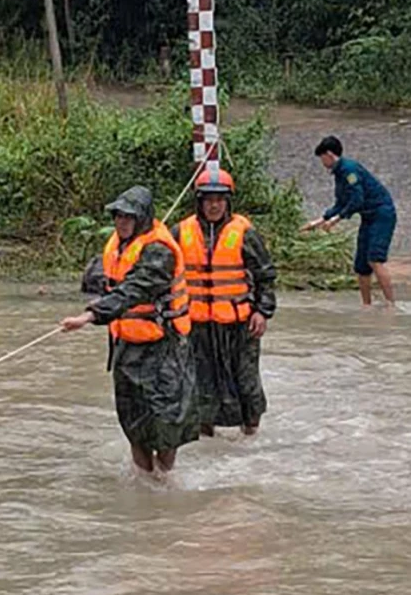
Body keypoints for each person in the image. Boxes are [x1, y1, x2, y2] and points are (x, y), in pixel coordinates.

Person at [60, 185, 199, 474]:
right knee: (133, 419)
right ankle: (145, 478)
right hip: (126, 347)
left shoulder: (159, 251)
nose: (121, 222)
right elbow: (109, 284)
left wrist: (89, 316)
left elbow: (133, 290)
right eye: (118, 216)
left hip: (163, 346)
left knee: (166, 419)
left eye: (129, 217)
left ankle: (165, 477)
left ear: (143, 218)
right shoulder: (117, 245)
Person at [175, 168, 277, 437]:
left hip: (239, 324)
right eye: (208, 199)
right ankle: (206, 437)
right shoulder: (180, 232)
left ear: (227, 201)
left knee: (246, 381)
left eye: (219, 199)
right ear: (199, 201)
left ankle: (251, 436)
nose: (214, 204)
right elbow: (162, 273)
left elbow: (265, 276)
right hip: (197, 325)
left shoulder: (245, 233)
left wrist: (262, 312)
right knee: (200, 383)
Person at [301, 135, 397, 308]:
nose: (322, 162)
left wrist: (337, 220)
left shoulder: (349, 170)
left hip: (382, 214)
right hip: (368, 217)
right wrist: (320, 220)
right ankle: (366, 306)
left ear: (329, 155)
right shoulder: (339, 173)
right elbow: (341, 203)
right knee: (361, 265)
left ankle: (391, 305)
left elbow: (357, 200)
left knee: (375, 259)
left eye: (322, 158)